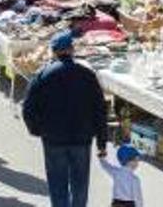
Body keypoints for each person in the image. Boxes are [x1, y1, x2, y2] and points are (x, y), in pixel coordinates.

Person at [22, 31, 108, 207]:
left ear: (54, 51)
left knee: (57, 183)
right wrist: (102, 142)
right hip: (82, 139)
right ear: (72, 50)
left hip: (53, 138)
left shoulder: (43, 75)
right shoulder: (87, 75)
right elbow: (100, 109)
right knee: (80, 183)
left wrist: (37, 130)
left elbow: (28, 107)